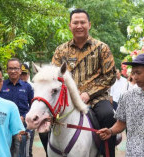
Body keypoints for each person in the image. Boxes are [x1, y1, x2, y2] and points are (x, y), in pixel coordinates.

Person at [52, 8, 117, 157]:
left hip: (97, 98)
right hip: (67, 99)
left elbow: (110, 76)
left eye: (83, 22)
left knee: (108, 115)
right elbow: (54, 76)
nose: (79, 26)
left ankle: (107, 154)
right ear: (70, 25)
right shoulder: (61, 50)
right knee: (45, 124)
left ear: (89, 24)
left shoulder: (102, 48)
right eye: (75, 22)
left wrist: (89, 93)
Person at [0, 58, 34, 157]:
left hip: (22, 127)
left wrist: (24, 116)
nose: (13, 71)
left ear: (20, 70)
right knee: (6, 153)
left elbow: (33, 106)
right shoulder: (1, 85)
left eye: (16, 68)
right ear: (7, 70)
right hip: (5, 127)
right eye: (10, 68)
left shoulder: (27, 87)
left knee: (23, 153)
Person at [20, 63, 35, 157]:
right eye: (21, 74)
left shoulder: (32, 87)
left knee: (27, 149)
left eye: (24, 74)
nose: (22, 76)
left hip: (27, 122)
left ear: (28, 74)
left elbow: (33, 105)